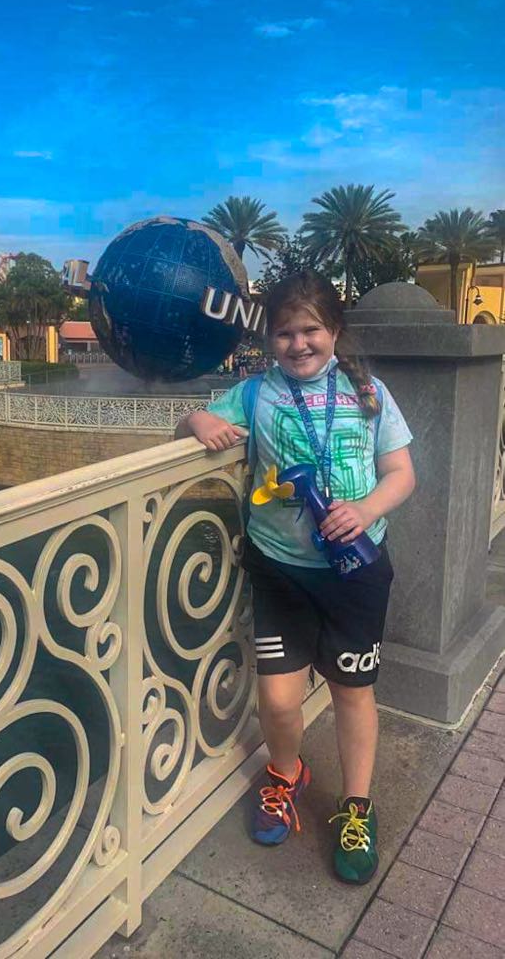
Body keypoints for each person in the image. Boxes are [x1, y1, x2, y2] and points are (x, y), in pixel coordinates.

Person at [175, 270, 415, 885]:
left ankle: (357, 807)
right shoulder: (255, 394)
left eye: (311, 329)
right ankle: (286, 773)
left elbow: (401, 474)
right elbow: (192, 422)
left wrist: (365, 510)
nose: (299, 343)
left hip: (356, 571)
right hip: (280, 568)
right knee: (280, 697)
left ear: (334, 330)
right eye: (284, 332)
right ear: (268, 339)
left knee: (351, 693)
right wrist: (200, 423)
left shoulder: (369, 393)